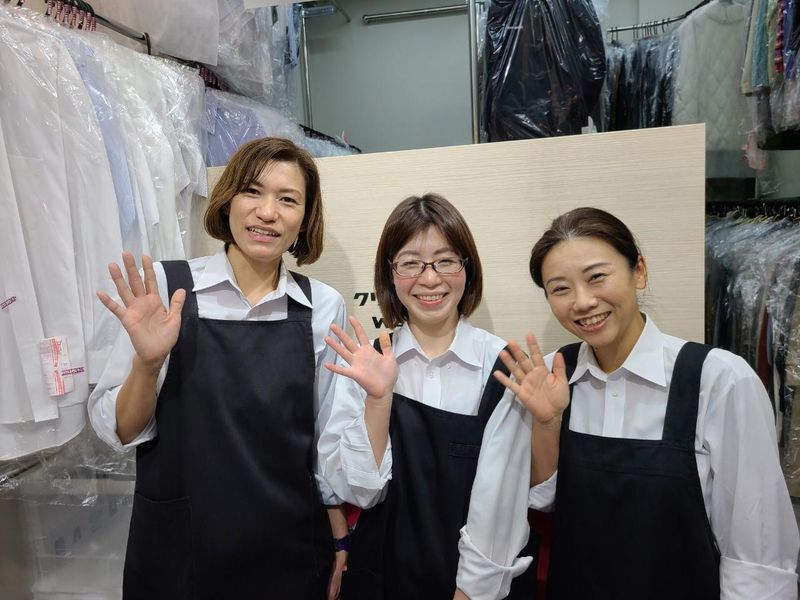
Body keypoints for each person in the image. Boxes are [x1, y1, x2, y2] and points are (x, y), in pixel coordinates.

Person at [459, 206, 800, 599]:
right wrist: (548, 423)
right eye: (560, 288)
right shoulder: (550, 376)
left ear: (639, 271)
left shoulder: (718, 380)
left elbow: (758, 557)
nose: (583, 302)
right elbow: (545, 501)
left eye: (597, 277)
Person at [88, 137, 349, 600]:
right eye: (252, 191)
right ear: (228, 201)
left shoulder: (323, 306)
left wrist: (340, 538)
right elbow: (121, 431)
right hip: (180, 546)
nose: (267, 212)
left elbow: (327, 439)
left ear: (305, 218)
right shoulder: (167, 287)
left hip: (288, 545)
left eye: (288, 199)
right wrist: (148, 364)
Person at [318, 193, 536, 600]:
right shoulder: (366, 363)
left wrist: (470, 591)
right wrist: (378, 400)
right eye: (410, 263)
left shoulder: (504, 366)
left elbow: (504, 502)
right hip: (381, 576)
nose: (430, 279)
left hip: (477, 586)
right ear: (390, 274)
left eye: (445, 260)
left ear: (468, 268)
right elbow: (358, 491)